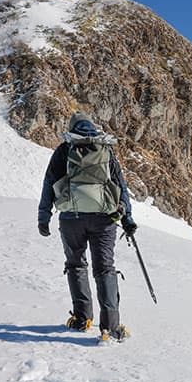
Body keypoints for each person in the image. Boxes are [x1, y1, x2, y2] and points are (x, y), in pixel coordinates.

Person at [38, 110, 138, 342]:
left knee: (76, 264)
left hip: (71, 217)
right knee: (104, 268)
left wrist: (44, 216)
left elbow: (49, 182)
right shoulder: (105, 149)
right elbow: (120, 185)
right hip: (104, 218)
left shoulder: (65, 149)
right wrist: (127, 218)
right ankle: (110, 328)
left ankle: (83, 319)